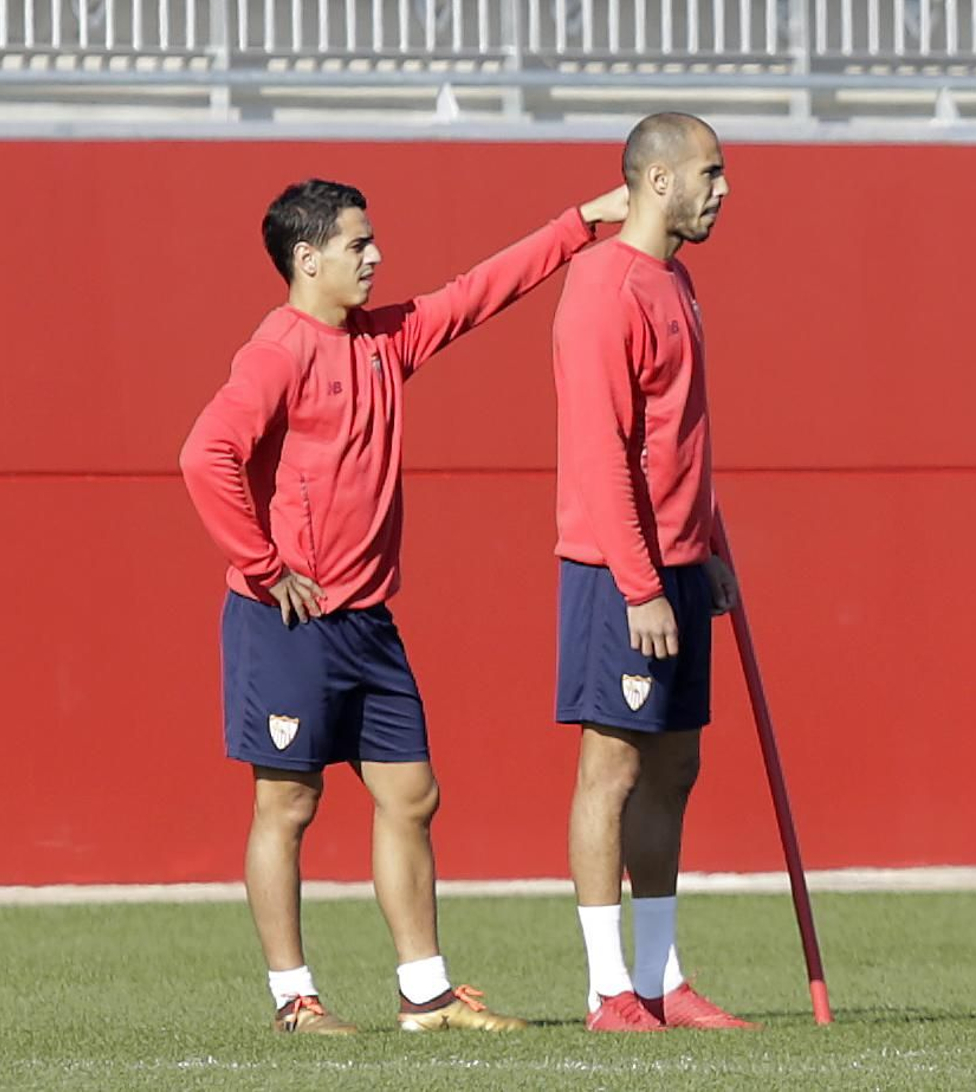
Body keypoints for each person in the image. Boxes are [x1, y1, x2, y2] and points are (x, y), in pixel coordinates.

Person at [180, 176, 628, 1034]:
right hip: (289, 621)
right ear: (307, 259)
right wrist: (266, 567)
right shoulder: (277, 351)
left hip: (367, 620)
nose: (375, 255)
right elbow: (205, 455)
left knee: (413, 795)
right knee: (289, 805)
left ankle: (424, 993)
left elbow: (475, 294)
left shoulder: (385, 340)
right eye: (358, 244)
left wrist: (578, 224)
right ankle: (294, 999)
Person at [549, 113, 754, 1033]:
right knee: (614, 766)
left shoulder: (680, 280)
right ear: (658, 180)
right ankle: (606, 989)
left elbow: (681, 441)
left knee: (677, 761)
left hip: (676, 562)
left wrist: (704, 545)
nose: (722, 189)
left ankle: (660, 978)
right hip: (616, 571)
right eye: (709, 173)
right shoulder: (603, 286)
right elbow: (602, 451)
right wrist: (637, 585)